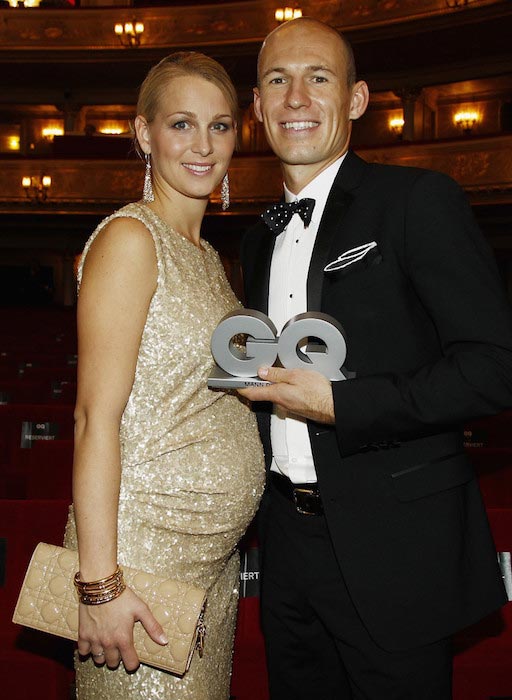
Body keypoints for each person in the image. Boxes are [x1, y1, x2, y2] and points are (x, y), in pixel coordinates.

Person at [239, 17, 512, 700]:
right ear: (257, 107)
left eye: (317, 78)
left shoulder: (418, 201)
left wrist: (343, 405)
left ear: (356, 99)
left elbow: (494, 365)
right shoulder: (257, 238)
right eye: (278, 80)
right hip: (287, 549)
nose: (296, 97)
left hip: (397, 549)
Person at [63, 51, 265, 700]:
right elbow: (95, 417)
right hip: (138, 562)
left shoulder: (209, 257)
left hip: (211, 568)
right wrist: (99, 585)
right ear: (144, 134)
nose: (204, 146)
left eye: (221, 125)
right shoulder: (132, 239)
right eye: (182, 124)